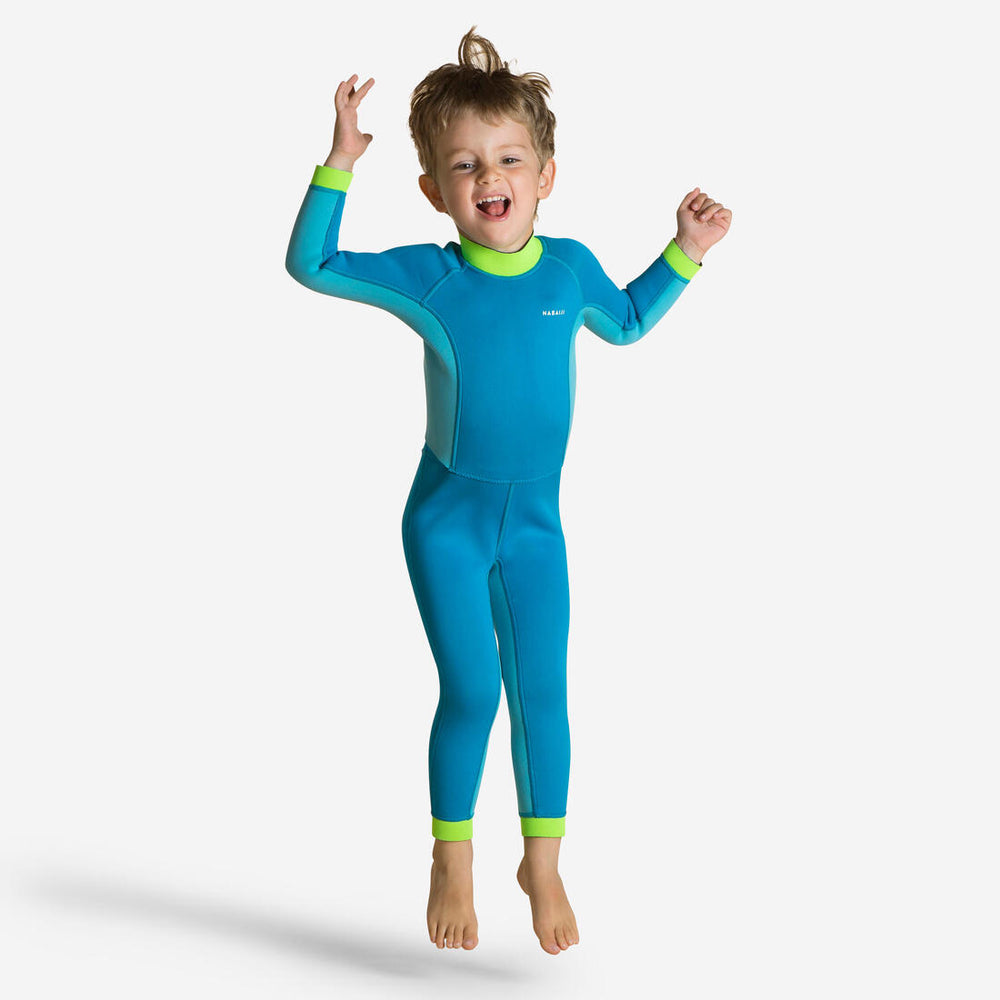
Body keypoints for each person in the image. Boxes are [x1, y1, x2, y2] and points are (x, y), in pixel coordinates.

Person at [285, 26, 732, 957]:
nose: (489, 176)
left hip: (535, 527)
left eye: (509, 158)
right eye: (464, 164)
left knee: (544, 693)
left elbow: (629, 319)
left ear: (546, 175)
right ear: (434, 191)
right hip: (445, 524)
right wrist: (339, 163)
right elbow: (312, 264)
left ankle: (543, 862)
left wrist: (685, 250)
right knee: (474, 691)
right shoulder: (432, 276)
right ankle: (450, 857)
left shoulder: (568, 269)